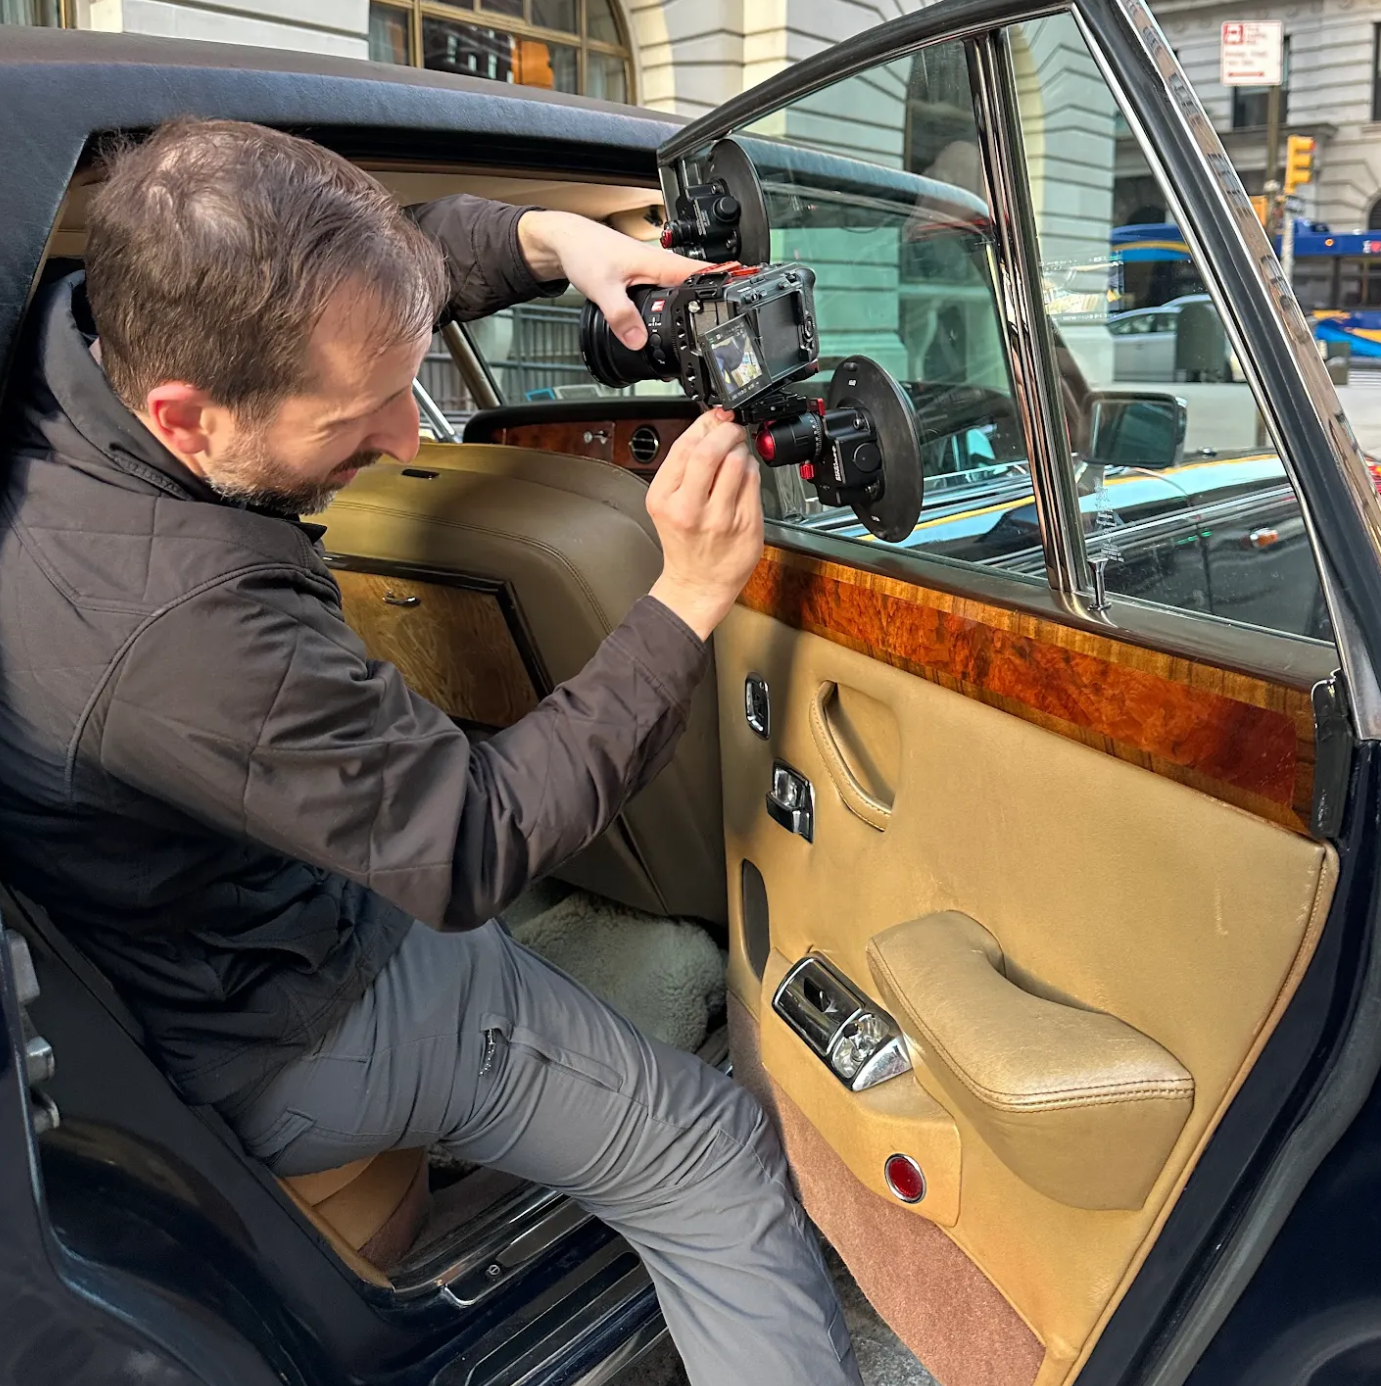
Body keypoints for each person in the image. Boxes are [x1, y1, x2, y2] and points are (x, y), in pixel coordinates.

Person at [0, 119, 861, 1384]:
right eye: (359, 416)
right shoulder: (183, 631)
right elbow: (470, 844)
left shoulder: (80, 321)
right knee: (712, 1154)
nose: (409, 440)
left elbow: (380, 275)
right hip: (299, 1025)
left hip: (200, 942)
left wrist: (552, 241)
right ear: (189, 418)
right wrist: (685, 596)